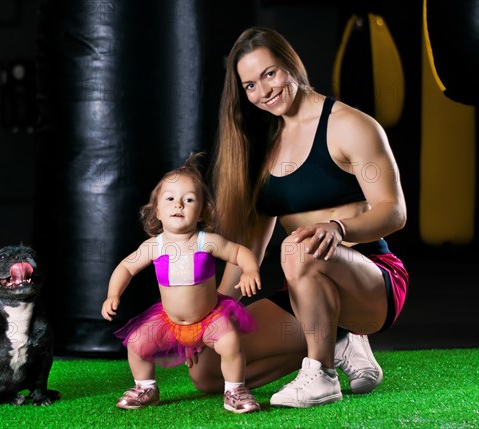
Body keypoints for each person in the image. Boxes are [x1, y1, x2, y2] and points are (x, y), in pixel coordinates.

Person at [187, 27, 409, 409]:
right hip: (308, 290)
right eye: (251, 85)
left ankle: (320, 375)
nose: (264, 91)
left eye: (270, 74)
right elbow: (249, 253)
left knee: (297, 246)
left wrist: (339, 229)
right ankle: (338, 343)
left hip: (372, 280)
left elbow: (394, 211)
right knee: (208, 368)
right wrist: (213, 314)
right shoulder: (264, 147)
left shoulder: (349, 125)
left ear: (291, 65)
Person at [101, 153, 262, 413]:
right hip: (169, 321)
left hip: (210, 317)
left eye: (189, 200)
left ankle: (235, 389)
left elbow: (238, 252)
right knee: (137, 342)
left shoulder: (206, 241)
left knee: (230, 341)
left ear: (202, 211)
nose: (179, 205)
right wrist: (113, 294)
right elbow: (126, 267)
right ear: (157, 210)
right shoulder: (154, 246)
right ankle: (146, 386)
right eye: (170, 199)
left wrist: (249, 269)